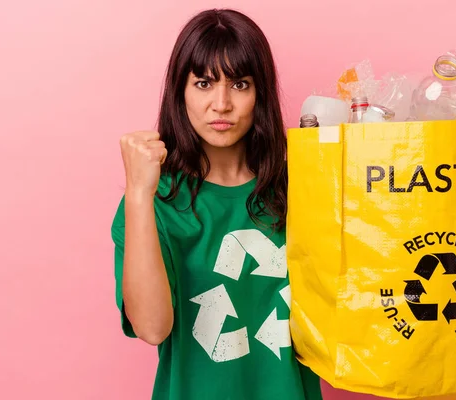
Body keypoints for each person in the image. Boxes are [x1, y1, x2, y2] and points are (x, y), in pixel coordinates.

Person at [111, 8, 323, 400]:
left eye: (240, 84)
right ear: (181, 92)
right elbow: (152, 328)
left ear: (259, 93)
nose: (221, 104)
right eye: (204, 83)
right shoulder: (156, 200)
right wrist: (139, 192)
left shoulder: (301, 187)